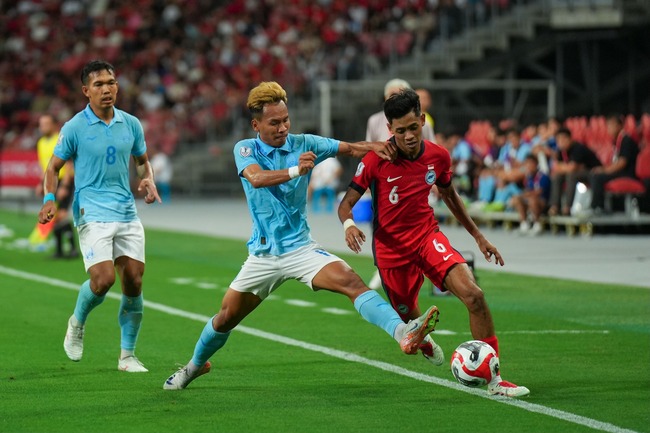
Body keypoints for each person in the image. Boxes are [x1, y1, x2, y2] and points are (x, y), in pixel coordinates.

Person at [163, 81, 440, 391]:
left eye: (286, 119)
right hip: (263, 256)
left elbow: (347, 147)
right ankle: (193, 368)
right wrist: (297, 170)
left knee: (351, 282)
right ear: (256, 124)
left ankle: (403, 333)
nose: (283, 127)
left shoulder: (304, 142)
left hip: (301, 250)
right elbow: (256, 179)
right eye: (274, 122)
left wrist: (375, 146)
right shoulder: (246, 148)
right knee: (225, 318)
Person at [338, 89, 530, 398]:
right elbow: (345, 205)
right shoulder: (375, 159)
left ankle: (494, 379)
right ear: (390, 130)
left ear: (422, 120)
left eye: (413, 127)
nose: (409, 136)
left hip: (428, 237)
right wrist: (348, 225)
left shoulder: (438, 156)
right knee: (410, 322)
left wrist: (478, 237)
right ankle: (423, 339)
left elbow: (449, 195)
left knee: (474, 296)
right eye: (400, 131)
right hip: (391, 253)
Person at [38, 60, 161, 373]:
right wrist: (50, 199)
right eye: (99, 84)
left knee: (133, 281)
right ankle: (77, 322)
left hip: (126, 210)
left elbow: (142, 161)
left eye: (111, 82)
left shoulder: (131, 124)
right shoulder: (75, 127)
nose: (107, 89)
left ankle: (127, 356)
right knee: (104, 279)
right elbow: (53, 167)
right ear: (86, 91)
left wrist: (147, 179)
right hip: (91, 210)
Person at [589, 114, 639, 214]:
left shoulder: (626, 140)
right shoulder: (616, 141)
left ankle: (597, 207)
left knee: (598, 177)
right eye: (608, 126)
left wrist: (604, 170)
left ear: (620, 126)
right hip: (621, 172)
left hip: (628, 173)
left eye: (612, 125)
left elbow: (622, 163)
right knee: (593, 174)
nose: (609, 128)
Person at [548, 127, 601, 217]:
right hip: (577, 172)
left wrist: (564, 167)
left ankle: (568, 207)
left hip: (593, 172)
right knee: (557, 176)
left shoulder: (578, 148)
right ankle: (555, 206)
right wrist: (566, 167)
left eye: (562, 139)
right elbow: (556, 167)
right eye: (558, 140)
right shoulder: (562, 151)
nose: (560, 142)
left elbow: (571, 168)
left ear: (568, 138)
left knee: (571, 175)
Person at [366, 78, 434, 142]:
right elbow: (369, 147)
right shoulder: (374, 121)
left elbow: (433, 148)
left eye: (401, 96)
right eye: (393, 95)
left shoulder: (421, 121)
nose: (397, 100)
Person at [511, 154, 551, 235]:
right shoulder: (528, 177)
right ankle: (524, 225)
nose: (528, 166)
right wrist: (523, 196)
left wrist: (525, 195)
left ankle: (537, 225)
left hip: (543, 202)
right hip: (530, 200)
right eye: (526, 164)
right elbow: (527, 191)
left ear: (536, 164)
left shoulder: (543, 176)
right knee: (517, 199)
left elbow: (538, 192)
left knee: (532, 199)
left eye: (530, 163)